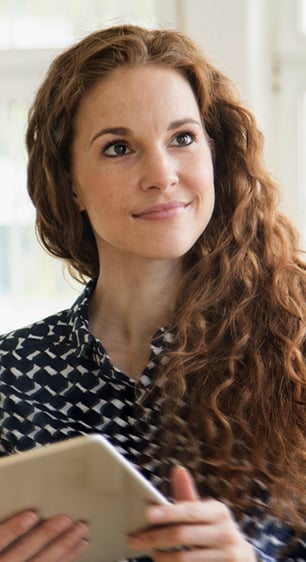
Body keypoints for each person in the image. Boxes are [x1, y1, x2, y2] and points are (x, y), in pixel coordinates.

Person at [0, 23, 305, 562]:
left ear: (215, 153)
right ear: (69, 182)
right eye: (119, 147)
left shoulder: (296, 349)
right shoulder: (11, 376)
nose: (162, 174)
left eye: (182, 138)